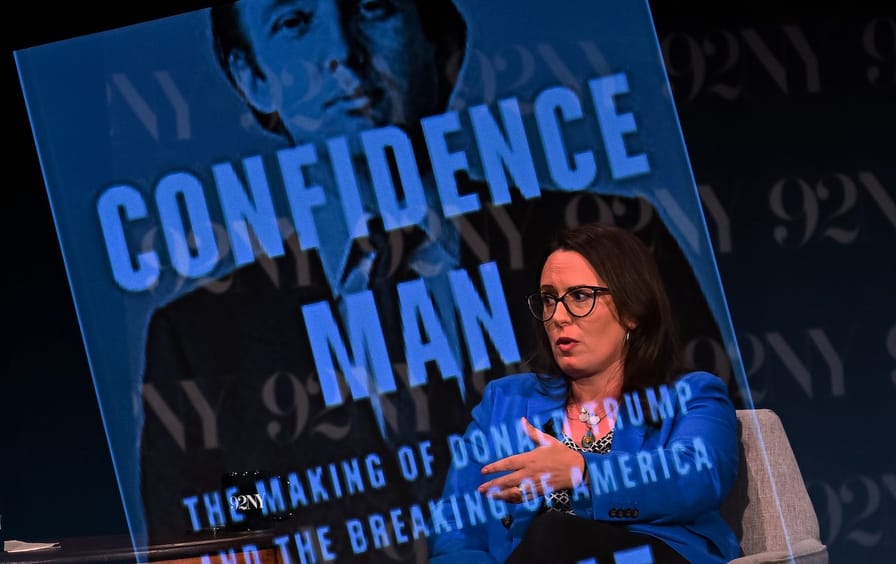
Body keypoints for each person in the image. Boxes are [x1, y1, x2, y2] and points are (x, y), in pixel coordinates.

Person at [428, 223, 741, 563]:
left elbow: (699, 477)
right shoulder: (504, 402)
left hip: (649, 555)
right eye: (549, 300)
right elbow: (455, 528)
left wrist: (583, 471)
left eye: (579, 297)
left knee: (554, 533)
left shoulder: (691, 395)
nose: (558, 317)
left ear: (632, 310)